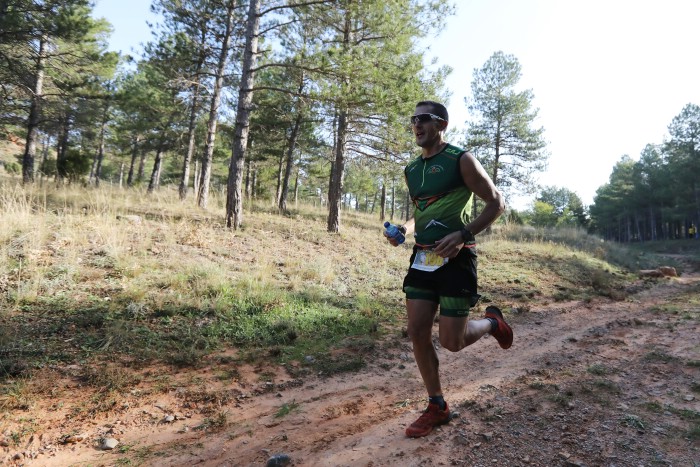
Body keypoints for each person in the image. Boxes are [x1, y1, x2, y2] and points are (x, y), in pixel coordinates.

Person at [384, 100, 512, 438]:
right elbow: (421, 212)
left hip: (458, 258)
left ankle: (492, 322)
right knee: (417, 331)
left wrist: (463, 234)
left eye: (423, 119)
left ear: (442, 124)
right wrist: (404, 229)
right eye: (413, 119)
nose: (416, 124)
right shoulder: (412, 170)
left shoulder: (461, 159)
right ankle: (437, 406)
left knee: (452, 341)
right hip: (423, 258)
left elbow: (496, 202)